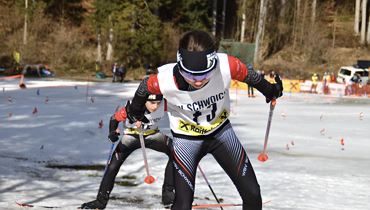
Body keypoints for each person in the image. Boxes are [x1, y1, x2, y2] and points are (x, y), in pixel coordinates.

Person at [126, 30, 283, 210]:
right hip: (187, 142)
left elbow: (250, 76)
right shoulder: (164, 80)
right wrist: (135, 110)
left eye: (204, 75)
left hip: (222, 134)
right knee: (182, 205)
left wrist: (270, 90)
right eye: (191, 75)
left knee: (253, 194)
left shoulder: (226, 65)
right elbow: (144, 87)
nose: (198, 81)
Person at [80, 94, 175, 209]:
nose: (155, 106)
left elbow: (179, 109)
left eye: (158, 103)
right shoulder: (132, 106)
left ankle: (168, 197)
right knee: (112, 167)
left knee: (177, 153)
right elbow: (114, 118)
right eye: (152, 103)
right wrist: (112, 133)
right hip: (130, 137)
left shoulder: (163, 104)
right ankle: (100, 202)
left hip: (152, 135)